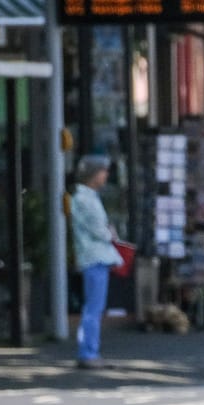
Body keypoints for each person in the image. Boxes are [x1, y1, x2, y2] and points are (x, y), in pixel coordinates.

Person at [69, 155, 124, 369]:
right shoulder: (85, 200)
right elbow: (99, 230)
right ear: (93, 174)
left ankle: (91, 351)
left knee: (94, 307)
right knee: (93, 307)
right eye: (103, 171)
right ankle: (88, 352)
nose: (106, 175)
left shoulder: (86, 197)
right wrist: (110, 233)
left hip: (93, 256)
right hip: (95, 257)